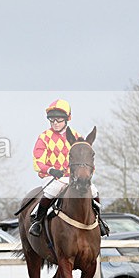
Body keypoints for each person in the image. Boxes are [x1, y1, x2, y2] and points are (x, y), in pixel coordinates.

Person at [28, 99, 109, 237]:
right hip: (52, 177)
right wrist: (51, 170)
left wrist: (87, 173)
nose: (55, 123)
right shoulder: (44, 137)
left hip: (73, 177)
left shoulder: (76, 137)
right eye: (52, 120)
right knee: (52, 191)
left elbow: (86, 159)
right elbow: (37, 162)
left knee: (94, 192)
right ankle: (37, 222)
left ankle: (99, 221)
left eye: (58, 120)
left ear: (66, 120)